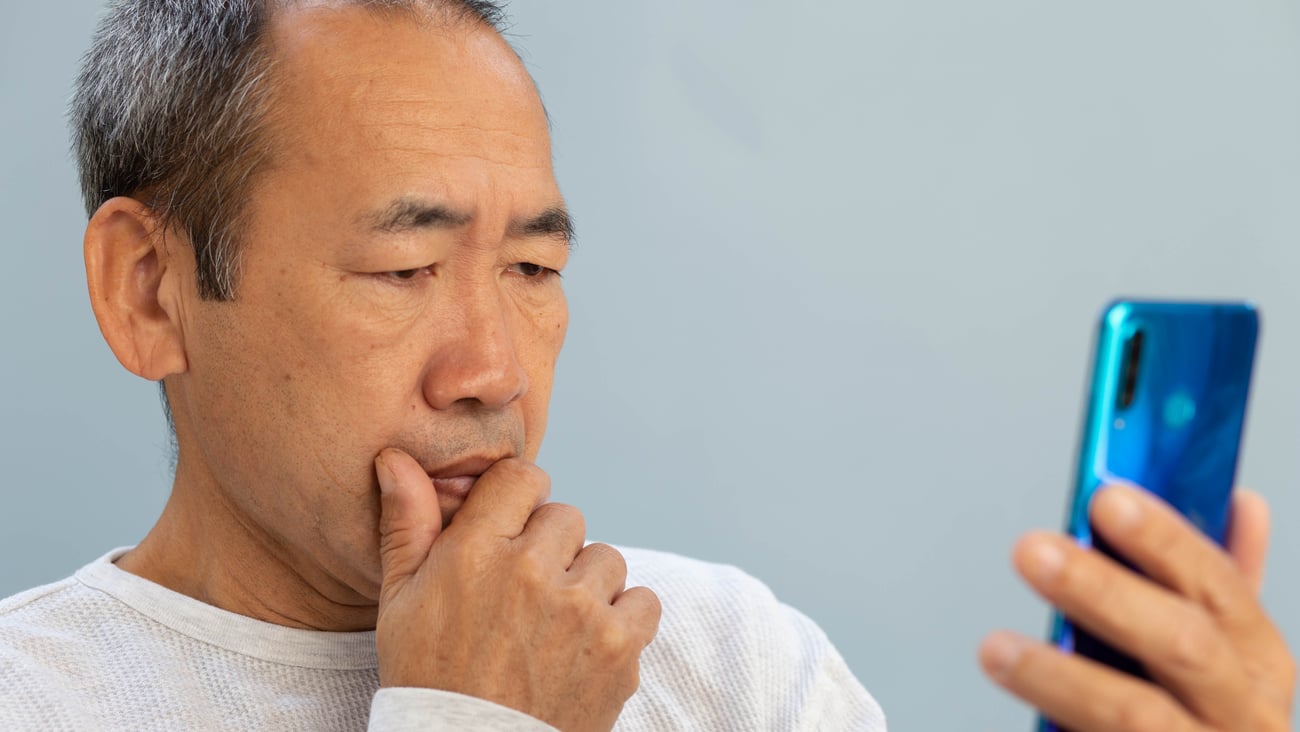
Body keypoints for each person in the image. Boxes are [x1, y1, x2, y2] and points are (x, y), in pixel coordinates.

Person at [0, 1, 1292, 731]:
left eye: (534, 270)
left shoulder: (728, 660)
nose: (493, 371)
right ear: (150, 292)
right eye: (403, 272)